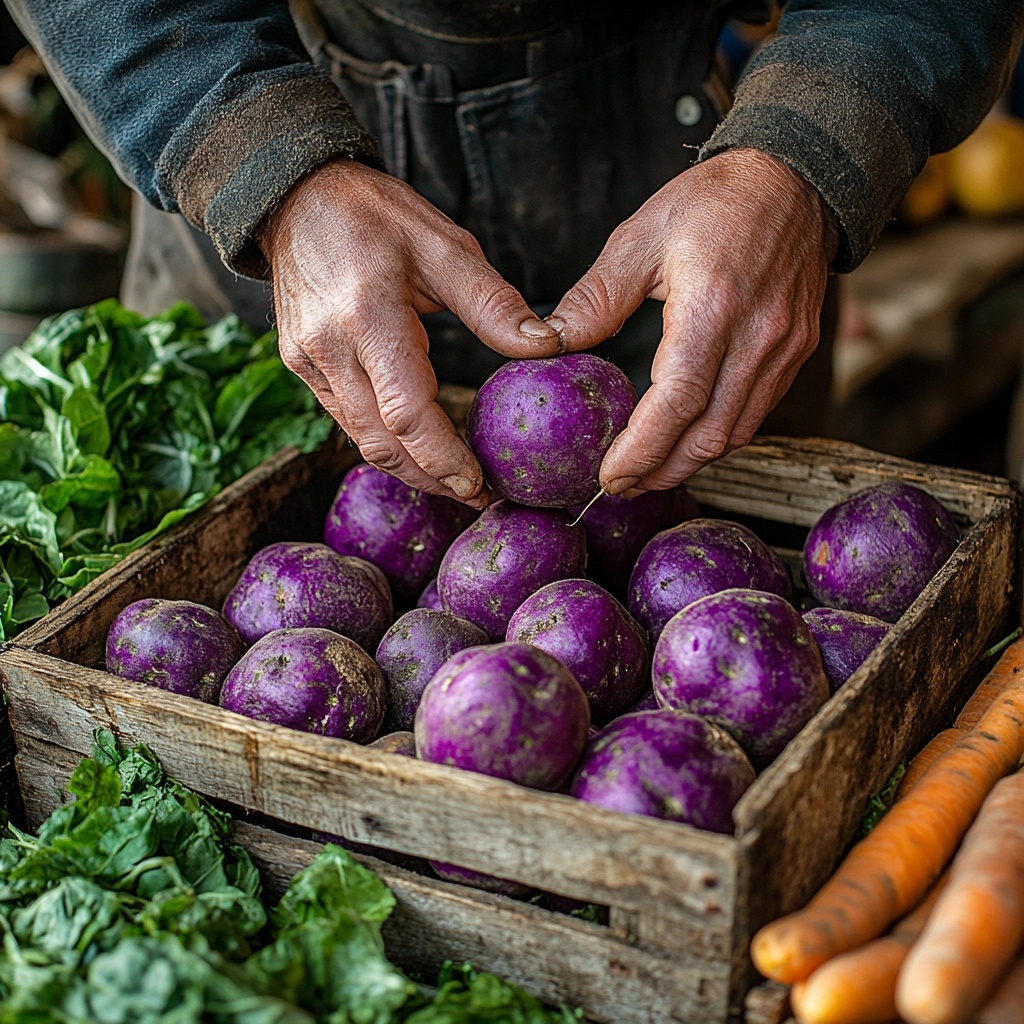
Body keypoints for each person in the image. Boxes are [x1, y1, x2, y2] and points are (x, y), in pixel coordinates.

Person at [7, 0, 1023, 508]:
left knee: (720, 527)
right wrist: (262, 171)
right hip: (255, 129)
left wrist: (805, 150)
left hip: (706, 206)